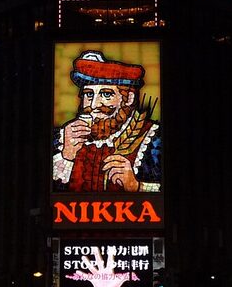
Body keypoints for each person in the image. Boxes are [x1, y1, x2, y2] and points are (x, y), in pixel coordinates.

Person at [53, 51, 161, 193]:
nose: (93, 105)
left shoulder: (154, 139)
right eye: (89, 94)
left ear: (128, 98)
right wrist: (66, 156)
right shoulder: (62, 138)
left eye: (106, 94)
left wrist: (137, 186)